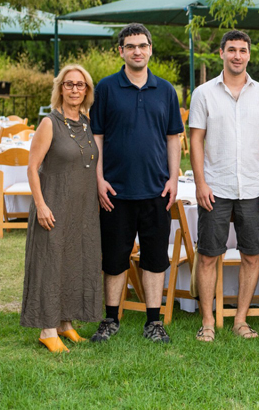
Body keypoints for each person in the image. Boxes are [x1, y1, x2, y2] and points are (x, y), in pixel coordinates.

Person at [89, 23, 184, 344]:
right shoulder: (106, 88)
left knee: (155, 258)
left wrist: (173, 178)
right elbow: (97, 136)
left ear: (150, 49)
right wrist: (98, 179)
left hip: (157, 190)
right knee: (114, 258)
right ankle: (110, 319)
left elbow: (173, 138)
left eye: (142, 45)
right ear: (121, 51)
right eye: (130, 46)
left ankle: (153, 321)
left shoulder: (166, 91)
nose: (137, 51)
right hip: (115, 191)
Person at [188, 30, 259, 342]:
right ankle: (208, 322)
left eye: (242, 50)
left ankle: (240, 320)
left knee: (251, 255)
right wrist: (200, 182)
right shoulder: (203, 93)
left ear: (248, 55)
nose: (237, 55)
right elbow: (196, 139)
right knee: (208, 256)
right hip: (215, 186)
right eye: (231, 50)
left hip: (252, 188)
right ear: (222, 53)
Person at [21, 65, 101, 353]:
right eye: (69, 84)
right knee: (50, 264)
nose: (75, 89)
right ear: (60, 88)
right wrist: (41, 205)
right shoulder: (49, 123)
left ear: (87, 90)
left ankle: (65, 323)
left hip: (81, 208)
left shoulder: (88, 123)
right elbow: (32, 167)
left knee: (73, 262)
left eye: (80, 85)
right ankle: (47, 329)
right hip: (53, 204)